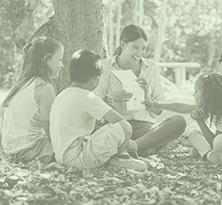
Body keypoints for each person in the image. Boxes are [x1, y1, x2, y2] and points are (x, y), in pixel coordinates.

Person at [94, 24, 186, 156]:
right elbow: (94, 105)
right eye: (135, 47)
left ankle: (133, 147)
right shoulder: (105, 66)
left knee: (179, 122)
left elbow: (159, 110)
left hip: (145, 128)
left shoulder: (151, 67)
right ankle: (143, 148)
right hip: (117, 126)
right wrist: (112, 98)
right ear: (123, 45)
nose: (140, 53)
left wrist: (147, 96)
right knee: (88, 125)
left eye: (143, 48)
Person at [50, 49, 147, 171]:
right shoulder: (87, 96)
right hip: (80, 159)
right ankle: (120, 157)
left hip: (61, 158)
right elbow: (121, 123)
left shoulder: (62, 95)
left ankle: (121, 152)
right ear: (95, 80)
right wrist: (126, 142)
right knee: (125, 127)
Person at [145, 72, 222, 165]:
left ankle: (209, 154)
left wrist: (200, 122)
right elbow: (182, 107)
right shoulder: (214, 107)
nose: (193, 95)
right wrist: (157, 105)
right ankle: (210, 154)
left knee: (219, 140)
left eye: (196, 91)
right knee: (193, 132)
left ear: (207, 95)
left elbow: (215, 143)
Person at [1, 36, 63, 164]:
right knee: (73, 149)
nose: (61, 65)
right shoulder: (44, 87)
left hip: (10, 151)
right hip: (28, 150)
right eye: (59, 59)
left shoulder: (23, 83)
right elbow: (50, 131)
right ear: (46, 60)